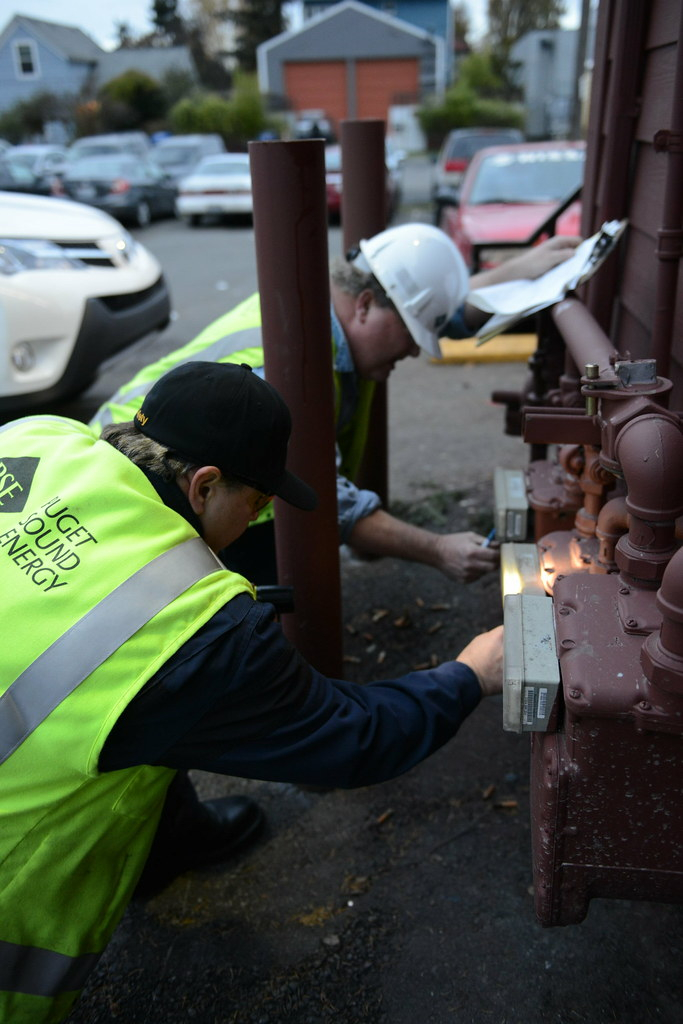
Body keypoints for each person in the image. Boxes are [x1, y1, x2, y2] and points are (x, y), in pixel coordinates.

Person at [0, 361, 503, 1023]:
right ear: (204, 485)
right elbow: (352, 737)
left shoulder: (37, 437)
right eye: (260, 504)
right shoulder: (191, 635)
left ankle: (168, 841)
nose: (262, 517)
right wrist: (468, 673)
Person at [91, 225, 581, 586]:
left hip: (166, 460)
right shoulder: (293, 371)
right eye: (412, 336)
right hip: (140, 482)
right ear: (365, 304)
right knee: (247, 594)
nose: (415, 350)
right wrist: (437, 549)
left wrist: (521, 268)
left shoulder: (326, 310)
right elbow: (335, 501)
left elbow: (441, 316)